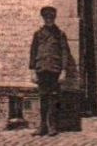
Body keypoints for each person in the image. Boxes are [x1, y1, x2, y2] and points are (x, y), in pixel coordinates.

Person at [28, 7, 73, 136]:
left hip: (54, 70)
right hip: (41, 69)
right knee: (43, 98)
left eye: (51, 18)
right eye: (46, 18)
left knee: (54, 98)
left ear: (54, 19)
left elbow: (65, 52)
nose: (49, 21)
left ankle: (52, 126)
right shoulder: (38, 34)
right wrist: (32, 70)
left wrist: (63, 70)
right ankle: (42, 126)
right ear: (43, 19)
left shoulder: (60, 34)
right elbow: (33, 52)